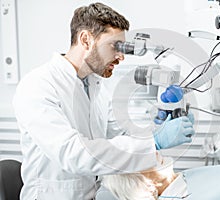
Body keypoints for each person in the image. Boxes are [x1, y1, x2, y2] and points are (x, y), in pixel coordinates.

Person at [12, 2, 195, 200]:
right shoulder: (38, 85)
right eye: (115, 46)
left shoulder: (96, 85)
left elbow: (118, 136)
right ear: (85, 40)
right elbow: (73, 154)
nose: (121, 56)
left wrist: (154, 131)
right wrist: (154, 142)